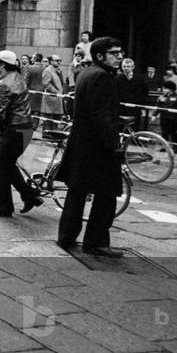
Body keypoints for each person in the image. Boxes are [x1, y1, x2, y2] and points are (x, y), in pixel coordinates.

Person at [56, 37, 126, 257]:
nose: (120, 57)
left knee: (76, 192)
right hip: (98, 148)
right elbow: (101, 116)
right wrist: (114, 145)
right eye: (114, 53)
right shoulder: (102, 77)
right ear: (99, 56)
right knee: (106, 196)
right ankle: (96, 243)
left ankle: (66, 237)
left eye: (120, 52)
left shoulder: (86, 73)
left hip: (82, 144)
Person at [0, 50, 41, 217]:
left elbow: (1, 112)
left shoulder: (3, 84)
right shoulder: (17, 76)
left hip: (14, 129)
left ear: (2, 65)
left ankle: (2, 207)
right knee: (8, 166)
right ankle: (31, 196)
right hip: (25, 128)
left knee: (1, 168)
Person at [116, 57, 149, 130]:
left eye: (128, 66)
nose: (126, 68)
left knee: (135, 130)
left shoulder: (140, 79)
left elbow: (145, 92)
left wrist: (141, 104)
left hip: (135, 109)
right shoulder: (117, 79)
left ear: (133, 67)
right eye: (124, 66)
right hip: (121, 109)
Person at [40, 55, 66, 131]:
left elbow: (61, 83)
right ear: (51, 62)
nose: (59, 62)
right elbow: (46, 83)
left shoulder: (58, 70)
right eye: (57, 60)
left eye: (60, 60)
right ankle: (47, 133)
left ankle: (54, 133)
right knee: (48, 117)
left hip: (58, 97)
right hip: (51, 98)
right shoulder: (47, 70)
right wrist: (55, 91)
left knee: (56, 116)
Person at [24, 53, 45, 128]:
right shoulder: (44, 68)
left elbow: (26, 80)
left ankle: (29, 124)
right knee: (37, 110)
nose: (31, 59)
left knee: (29, 108)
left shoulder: (29, 68)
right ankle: (35, 125)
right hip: (41, 91)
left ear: (35, 59)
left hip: (31, 91)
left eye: (32, 58)